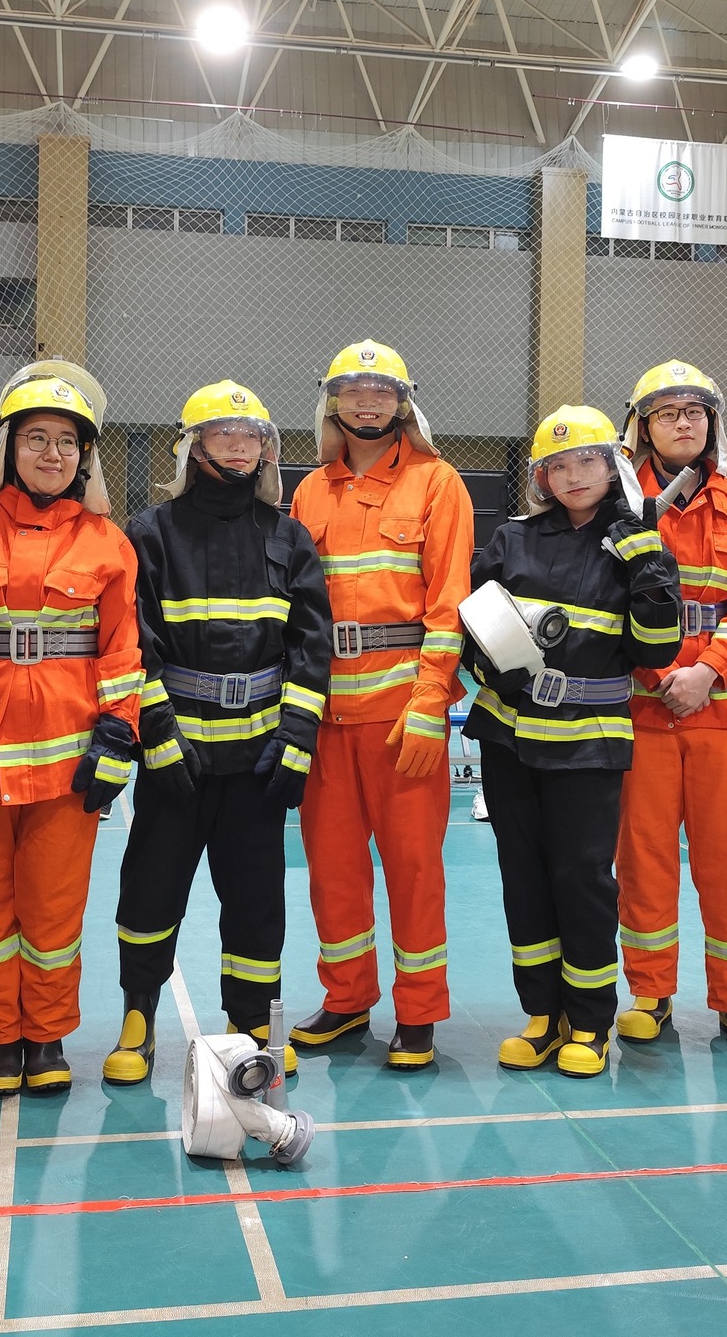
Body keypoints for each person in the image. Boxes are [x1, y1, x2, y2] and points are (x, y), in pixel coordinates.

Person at [103, 383, 332, 1084]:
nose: (237, 445)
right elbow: (133, 643)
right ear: (193, 445)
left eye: (250, 434)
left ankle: (252, 1022)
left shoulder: (288, 538)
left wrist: (296, 741)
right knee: (151, 889)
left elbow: (311, 647)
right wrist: (158, 736)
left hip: (258, 760)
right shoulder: (151, 532)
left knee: (258, 899)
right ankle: (137, 1016)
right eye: (221, 433)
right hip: (176, 756)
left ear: (266, 448)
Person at [0, 362, 142, 1099]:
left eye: (66, 442)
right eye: (35, 439)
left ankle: (47, 1034)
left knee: (54, 905)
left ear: (84, 456)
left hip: (67, 761)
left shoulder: (107, 541)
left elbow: (121, 649)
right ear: (6, 447)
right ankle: (0, 1039)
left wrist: (117, 737)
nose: (52, 454)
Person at [461, 407, 682, 1078]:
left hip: (590, 740)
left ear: (612, 465)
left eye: (586, 460)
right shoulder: (513, 538)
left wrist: (648, 571)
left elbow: (656, 651)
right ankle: (541, 1015)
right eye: (556, 465)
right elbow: (470, 630)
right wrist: (493, 665)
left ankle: (589, 1021)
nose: (572, 475)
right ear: (541, 477)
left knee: (582, 880)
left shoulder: (637, 540)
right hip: (510, 736)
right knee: (523, 878)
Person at [288, 341, 474, 1069]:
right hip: (324, 717)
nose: (368, 402)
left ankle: (419, 1012)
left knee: (414, 869)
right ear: (332, 400)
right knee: (332, 869)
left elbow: (449, 602)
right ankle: (347, 999)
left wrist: (430, 703)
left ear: (404, 401)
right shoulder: (309, 491)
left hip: (403, 716)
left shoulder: (437, 482)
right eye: (353, 390)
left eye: (382, 390)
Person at [613, 361, 727, 1057]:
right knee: (644, 859)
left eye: (695, 411)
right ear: (642, 425)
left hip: (724, 713)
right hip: (643, 711)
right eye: (667, 412)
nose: (683, 422)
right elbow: (606, 600)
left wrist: (707, 673)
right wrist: (663, 675)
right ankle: (649, 996)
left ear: (712, 424)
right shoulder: (619, 502)